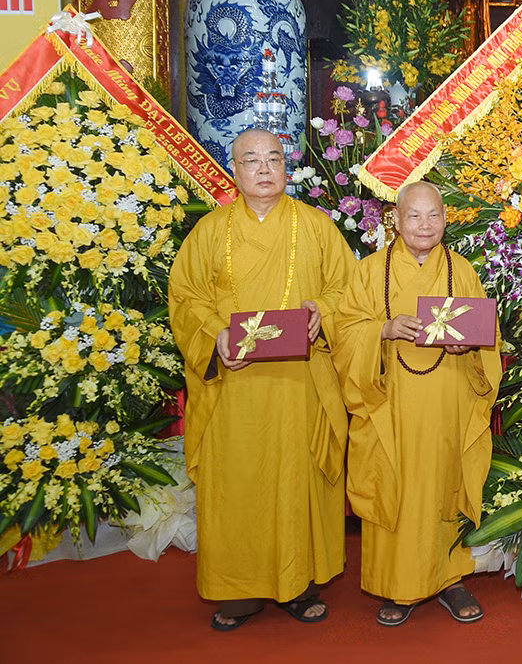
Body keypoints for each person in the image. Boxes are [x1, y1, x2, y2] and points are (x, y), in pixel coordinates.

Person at [168, 129, 355, 631]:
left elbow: (348, 289)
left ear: (286, 168)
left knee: (297, 479)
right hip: (236, 386)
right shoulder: (210, 231)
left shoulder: (316, 226)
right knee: (238, 483)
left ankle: (299, 584)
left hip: (300, 382)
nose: (264, 168)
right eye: (251, 160)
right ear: (235, 171)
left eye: (274, 158)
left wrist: (322, 311)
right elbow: (185, 297)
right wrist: (215, 335)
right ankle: (240, 588)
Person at [333, 181, 501, 626]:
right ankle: (397, 585)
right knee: (396, 486)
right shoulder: (370, 271)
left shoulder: (461, 270)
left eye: (433, 215)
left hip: (448, 402)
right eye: (414, 215)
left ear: (445, 219)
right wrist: (383, 330)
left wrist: (471, 346)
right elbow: (345, 332)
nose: (424, 225)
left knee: (445, 484)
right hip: (389, 406)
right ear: (395, 220)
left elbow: (487, 333)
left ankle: (450, 579)